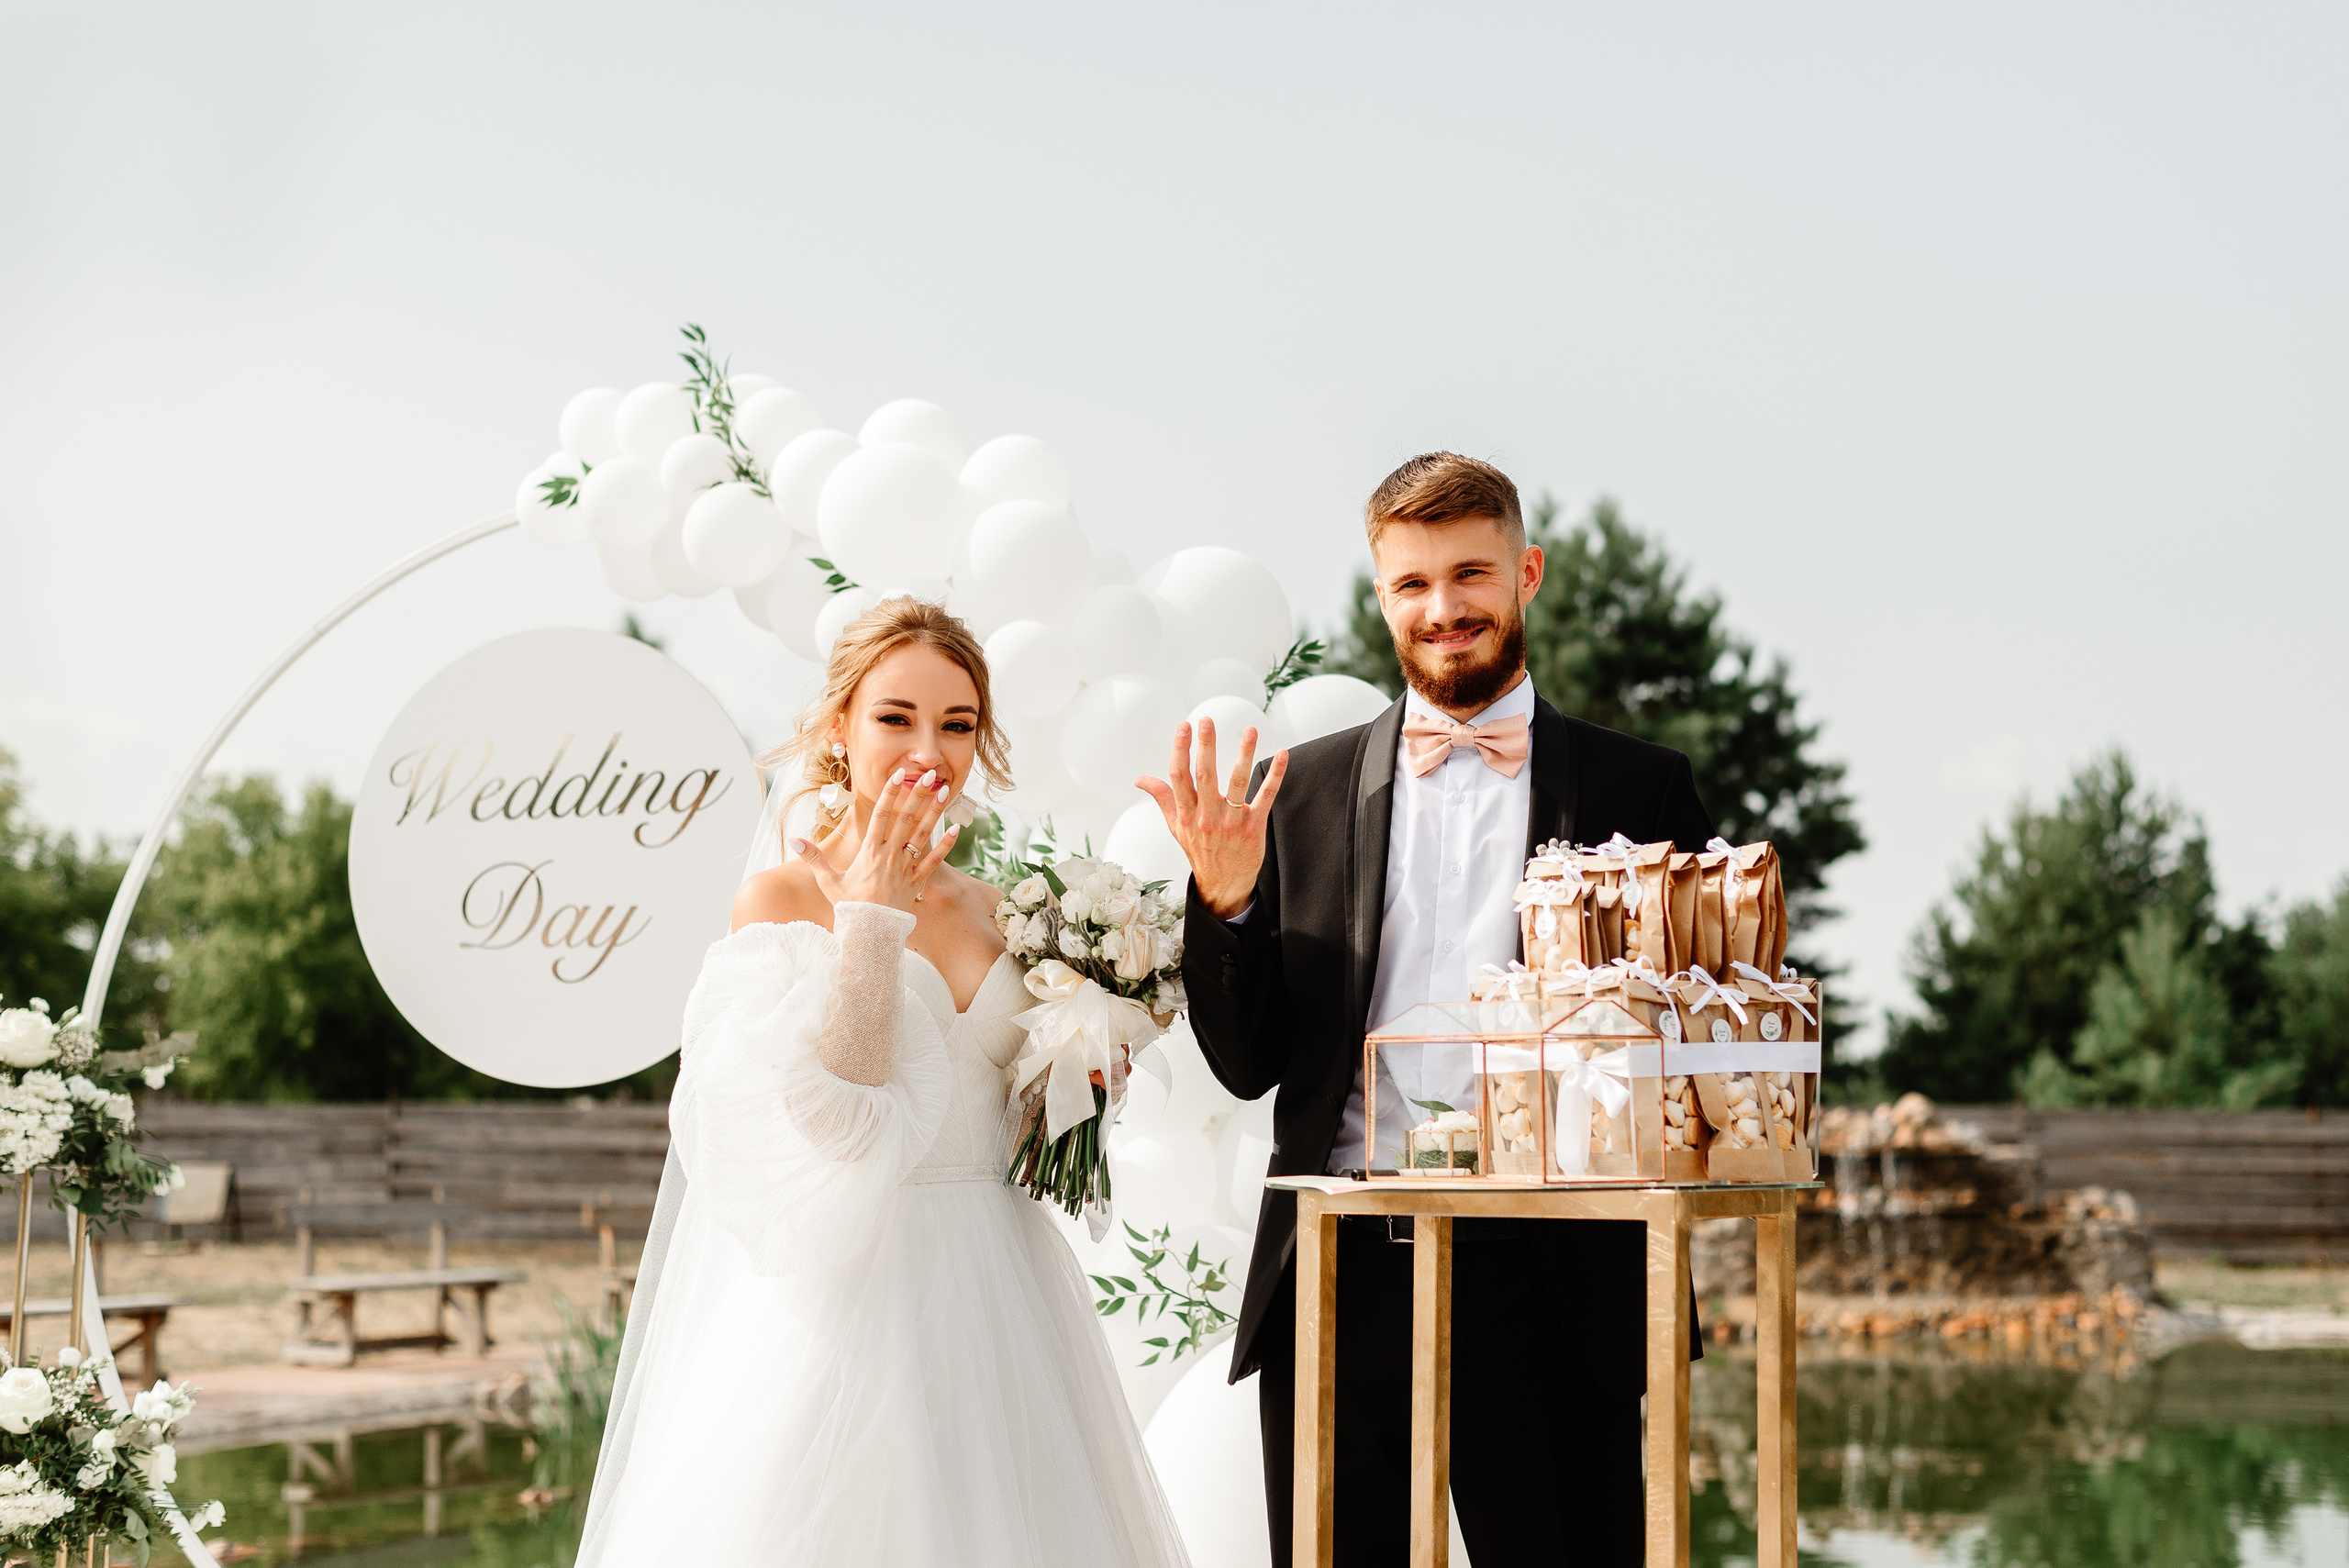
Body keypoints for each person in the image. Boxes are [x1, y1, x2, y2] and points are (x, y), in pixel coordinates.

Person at [1141, 453, 1717, 1566]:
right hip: (1343, 1257)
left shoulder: (1641, 790)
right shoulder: (1294, 790)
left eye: (1469, 574)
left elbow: (1684, 1040)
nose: (1443, 609)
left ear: (1526, 572)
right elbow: (1247, 1061)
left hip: (1559, 1268)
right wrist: (1221, 900)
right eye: (1412, 583)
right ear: (1380, 596)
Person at [578, 596, 1191, 1568]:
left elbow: (1031, 1133)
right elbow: (836, 1114)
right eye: (896, 716)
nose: (930, 748)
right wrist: (868, 919)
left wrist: (1087, 1064)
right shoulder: (779, 896)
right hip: (853, 1297)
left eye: (957, 724)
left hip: (1004, 1288)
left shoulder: (1007, 911)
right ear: (838, 729)